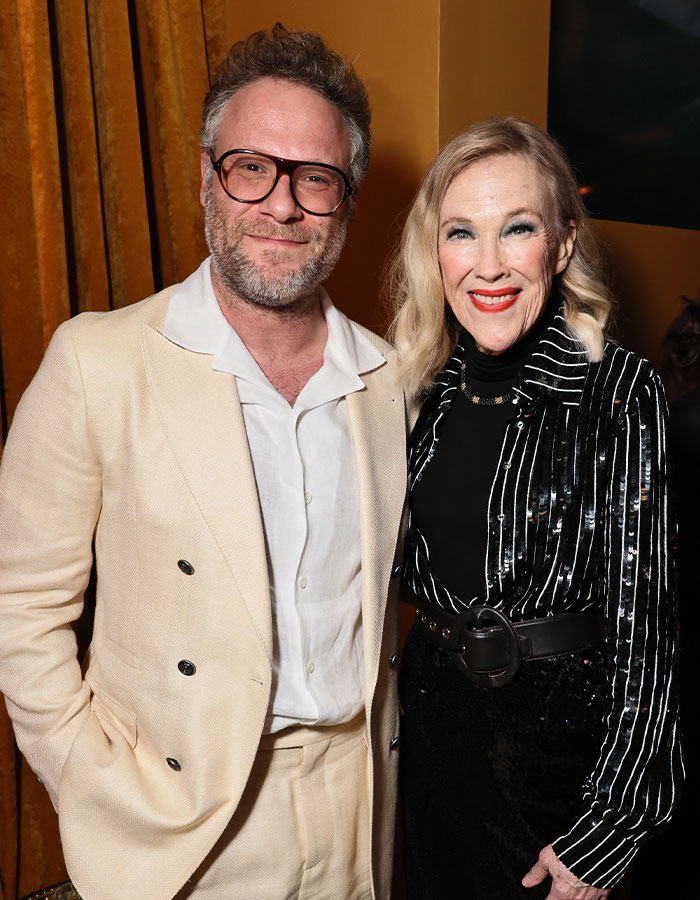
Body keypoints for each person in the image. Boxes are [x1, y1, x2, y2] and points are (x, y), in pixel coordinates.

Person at [0, 26, 409, 900]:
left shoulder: (391, 380)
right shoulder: (97, 362)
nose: (282, 206)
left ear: (348, 199)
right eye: (251, 168)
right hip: (181, 821)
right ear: (205, 177)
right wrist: (88, 775)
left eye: (316, 179)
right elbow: (22, 608)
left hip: (358, 809)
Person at [388, 118, 682, 900]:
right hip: (432, 737)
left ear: (559, 244)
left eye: (517, 229)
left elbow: (648, 625)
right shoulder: (418, 390)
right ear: (435, 251)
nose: (487, 265)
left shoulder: (617, 391)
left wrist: (611, 825)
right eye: (461, 233)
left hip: (563, 762)